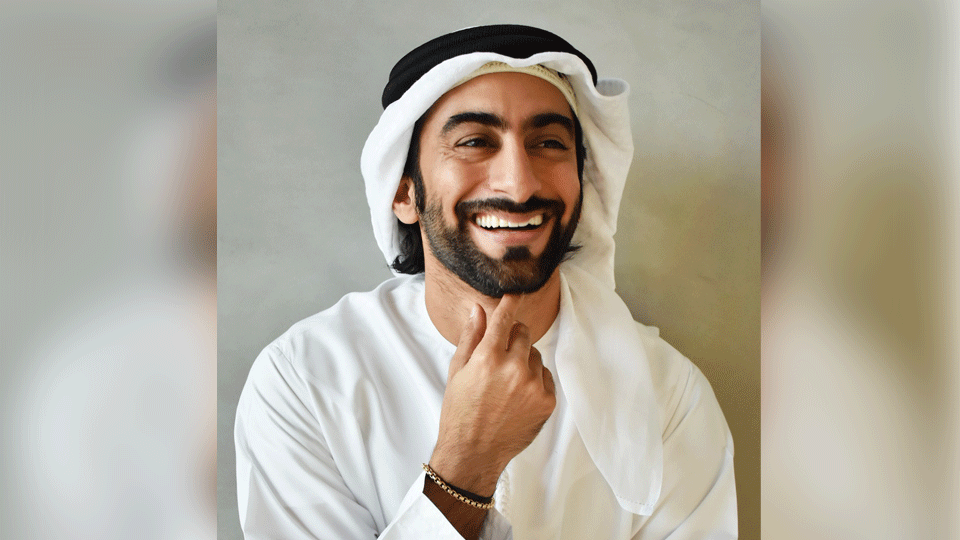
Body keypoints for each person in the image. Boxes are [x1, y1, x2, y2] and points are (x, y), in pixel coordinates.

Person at [235, 25, 736, 540]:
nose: (518, 183)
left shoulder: (669, 397)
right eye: (474, 142)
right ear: (403, 193)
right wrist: (468, 463)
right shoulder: (304, 381)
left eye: (548, 143)